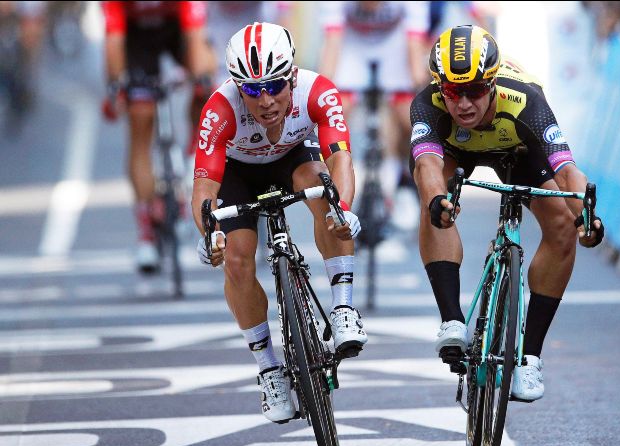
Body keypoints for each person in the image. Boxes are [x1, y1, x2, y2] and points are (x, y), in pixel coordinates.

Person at [409, 25, 604, 402]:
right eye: (452, 92)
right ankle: (452, 319)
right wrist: (437, 201)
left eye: (475, 91)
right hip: (453, 152)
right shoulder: (427, 104)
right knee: (433, 198)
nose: (464, 103)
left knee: (562, 223)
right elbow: (429, 165)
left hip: (517, 149)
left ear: (493, 82)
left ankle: (529, 358)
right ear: (439, 87)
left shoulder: (525, 99)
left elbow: (567, 171)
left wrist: (588, 218)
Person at [191, 22, 368, 423]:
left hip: (294, 160)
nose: (265, 99)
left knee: (325, 195)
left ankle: (342, 308)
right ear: (238, 87)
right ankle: (269, 367)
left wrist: (342, 207)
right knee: (236, 259)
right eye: (252, 90)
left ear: (291, 75)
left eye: (274, 85)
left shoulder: (317, 92)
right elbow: (204, 187)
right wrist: (208, 233)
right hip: (239, 174)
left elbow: (340, 158)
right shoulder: (219, 110)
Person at [101, 1, 216, 273]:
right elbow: (114, 42)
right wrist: (115, 87)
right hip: (136, 42)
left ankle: (193, 158)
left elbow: (196, 36)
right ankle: (146, 230)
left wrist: (200, 78)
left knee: (206, 91)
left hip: (176, 33)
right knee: (140, 120)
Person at [319, 1, 430, 231]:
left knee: (410, 118)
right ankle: (336, 188)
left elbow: (414, 45)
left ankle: (403, 179)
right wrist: (322, 94)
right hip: (353, 46)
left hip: (394, 46)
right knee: (335, 110)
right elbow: (332, 44)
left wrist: (419, 90)